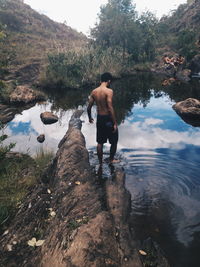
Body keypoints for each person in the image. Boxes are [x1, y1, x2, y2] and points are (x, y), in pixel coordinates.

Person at [87, 72, 119, 165]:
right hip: (108, 119)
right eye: (110, 81)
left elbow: (89, 107)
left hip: (100, 118)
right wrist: (114, 123)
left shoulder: (94, 91)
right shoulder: (109, 91)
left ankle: (100, 162)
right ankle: (111, 159)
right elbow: (110, 107)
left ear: (100, 80)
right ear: (109, 81)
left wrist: (90, 118)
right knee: (114, 141)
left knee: (100, 142)